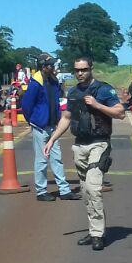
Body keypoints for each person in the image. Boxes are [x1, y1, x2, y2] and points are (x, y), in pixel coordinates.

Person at [43, 57, 125, 251]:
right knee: (86, 191)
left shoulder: (104, 90)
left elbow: (120, 112)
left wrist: (97, 105)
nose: (80, 73)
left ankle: (97, 234)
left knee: (94, 188)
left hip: (99, 144)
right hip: (80, 145)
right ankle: (94, 229)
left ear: (91, 69)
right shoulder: (72, 92)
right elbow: (66, 118)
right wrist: (52, 139)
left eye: (84, 69)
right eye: (77, 70)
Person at [21, 53, 79, 202]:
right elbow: (26, 105)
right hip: (40, 127)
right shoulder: (35, 83)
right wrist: (33, 120)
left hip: (53, 126)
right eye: (51, 65)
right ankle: (41, 191)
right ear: (44, 67)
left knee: (57, 158)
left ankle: (64, 190)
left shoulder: (53, 82)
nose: (54, 68)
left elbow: (58, 99)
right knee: (41, 160)